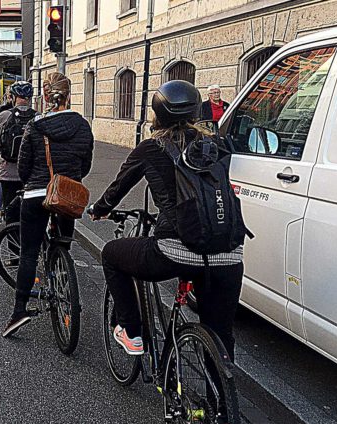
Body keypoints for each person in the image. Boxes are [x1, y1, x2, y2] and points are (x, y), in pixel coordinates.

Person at [89, 80, 244, 365]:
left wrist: (99, 209)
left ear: (157, 114)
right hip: (228, 254)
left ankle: (131, 332)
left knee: (111, 254)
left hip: (175, 250)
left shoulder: (151, 148)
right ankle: (220, 402)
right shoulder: (217, 145)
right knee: (220, 335)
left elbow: (118, 188)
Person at [2, 72, 94, 337]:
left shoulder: (35, 125)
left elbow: (23, 167)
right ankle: (63, 273)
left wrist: (33, 182)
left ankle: (19, 311)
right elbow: (85, 163)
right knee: (63, 243)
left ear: (44, 96)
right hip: (67, 194)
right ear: (68, 95)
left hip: (35, 195)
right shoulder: (82, 125)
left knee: (29, 253)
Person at [0, 81, 36, 225]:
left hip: (8, 173)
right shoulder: (38, 117)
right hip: (31, 174)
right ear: (29, 98)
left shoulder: (5, 115)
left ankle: (13, 242)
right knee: (30, 215)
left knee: (11, 212)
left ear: (13, 97)